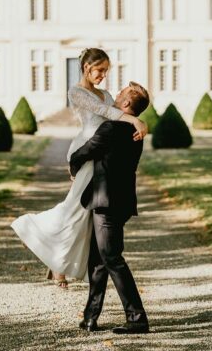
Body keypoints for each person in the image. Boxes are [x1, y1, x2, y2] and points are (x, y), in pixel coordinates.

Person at [11, 48, 147, 288]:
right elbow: (106, 112)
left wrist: (136, 119)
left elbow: (117, 115)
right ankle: (32, 231)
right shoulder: (76, 92)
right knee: (75, 208)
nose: (103, 75)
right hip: (86, 153)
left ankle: (57, 263)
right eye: (100, 70)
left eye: (106, 71)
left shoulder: (105, 93)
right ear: (87, 67)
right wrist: (136, 120)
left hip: (102, 154)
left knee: (83, 215)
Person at [71, 82, 150, 334]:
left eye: (121, 93)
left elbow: (86, 151)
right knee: (98, 260)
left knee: (112, 258)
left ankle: (137, 318)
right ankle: (90, 317)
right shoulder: (136, 130)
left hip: (107, 203)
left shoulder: (111, 128)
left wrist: (73, 163)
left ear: (126, 103)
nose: (115, 95)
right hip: (120, 201)